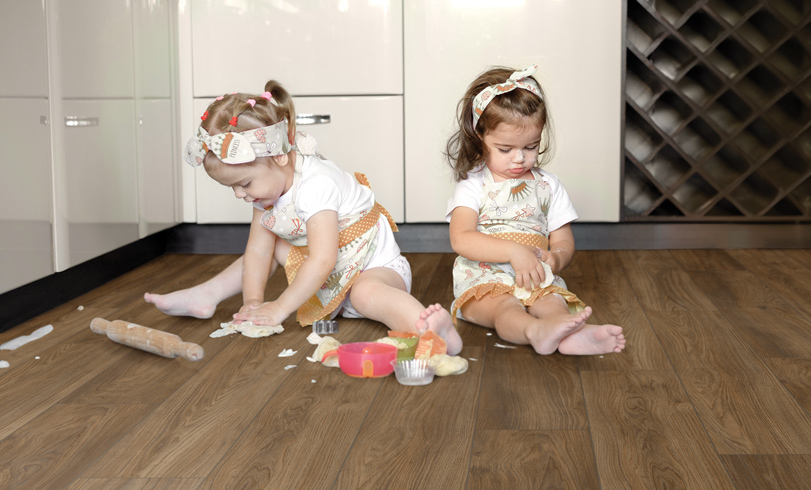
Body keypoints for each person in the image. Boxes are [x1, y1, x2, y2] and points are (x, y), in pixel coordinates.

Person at [145, 80, 461, 354]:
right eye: (233, 188)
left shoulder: (316, 183)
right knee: (268, 243)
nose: (241, 195)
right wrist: (254, 302)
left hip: (372, 268)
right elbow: (257, 251)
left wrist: (280, 308)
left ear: (279, 155)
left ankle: (431, 330)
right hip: (326, 273)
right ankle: (208, 294)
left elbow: (323, 260)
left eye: (244, 184)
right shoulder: (267, 187)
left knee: (366, 295)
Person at [444, 65, 625, 355]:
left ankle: (566, 332)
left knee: (552, 303)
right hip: (483, 277)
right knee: (506, 307)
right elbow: (461, 238)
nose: (519, 158)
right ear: (480, 139)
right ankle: (534, 331)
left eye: (531, 146)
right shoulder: (473, 184)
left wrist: (556, 258)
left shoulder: (548, 185)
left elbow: (563, 241)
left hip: (535, 275)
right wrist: (513, 252)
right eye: (505, 149)